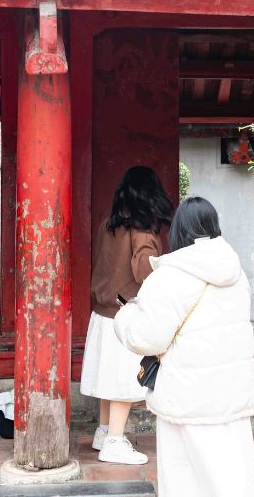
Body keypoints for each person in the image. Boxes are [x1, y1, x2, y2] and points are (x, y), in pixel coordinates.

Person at [114, 197, 254, 496]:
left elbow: (146, 337)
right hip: (231, 395)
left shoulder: (169, 276)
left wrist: (125, 315)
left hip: (187, 397)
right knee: (232, 479)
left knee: (185, 482)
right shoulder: (236, 274)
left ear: (178, 230)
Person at [80, 166, 173, 465]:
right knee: (122, 381)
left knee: (109, 377)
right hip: (125, 313)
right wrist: (168, 269)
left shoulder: (107, 224)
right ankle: (115, 443)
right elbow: (144, 268)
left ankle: (104, 432)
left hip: (102, 312)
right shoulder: (142, 229)